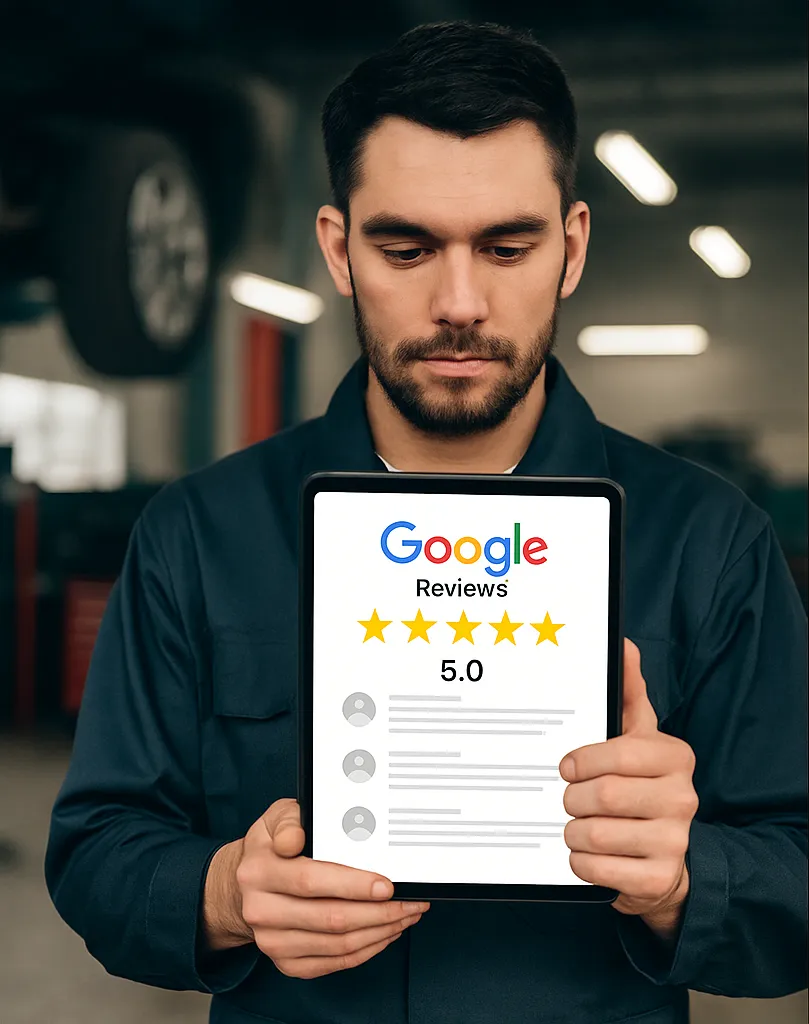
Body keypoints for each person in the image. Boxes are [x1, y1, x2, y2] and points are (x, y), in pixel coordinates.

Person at [46, 21, 807, 1024]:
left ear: (571, 247)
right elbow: (98, 845)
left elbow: (793, 886)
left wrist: (682, 876)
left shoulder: (710, 543)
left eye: (506, 245)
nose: (458, 301)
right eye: (405, 247)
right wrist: (223, 893)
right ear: (337, 248)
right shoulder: (199, 533)